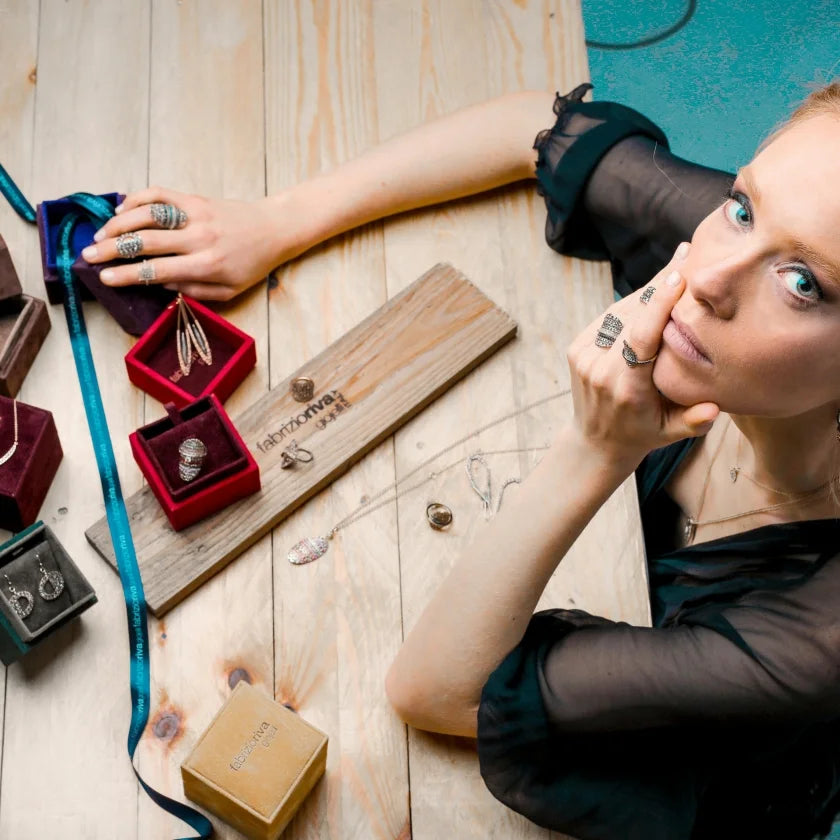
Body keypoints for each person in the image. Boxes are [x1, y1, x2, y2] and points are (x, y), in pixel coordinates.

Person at [88, 82, 840, 838]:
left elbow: (435, 692)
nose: (708, 280)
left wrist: (595, 447)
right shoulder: (767, 234)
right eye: (742, 206)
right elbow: (533, 129)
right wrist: (279, 220)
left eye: (802, 285)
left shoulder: (813, 644)